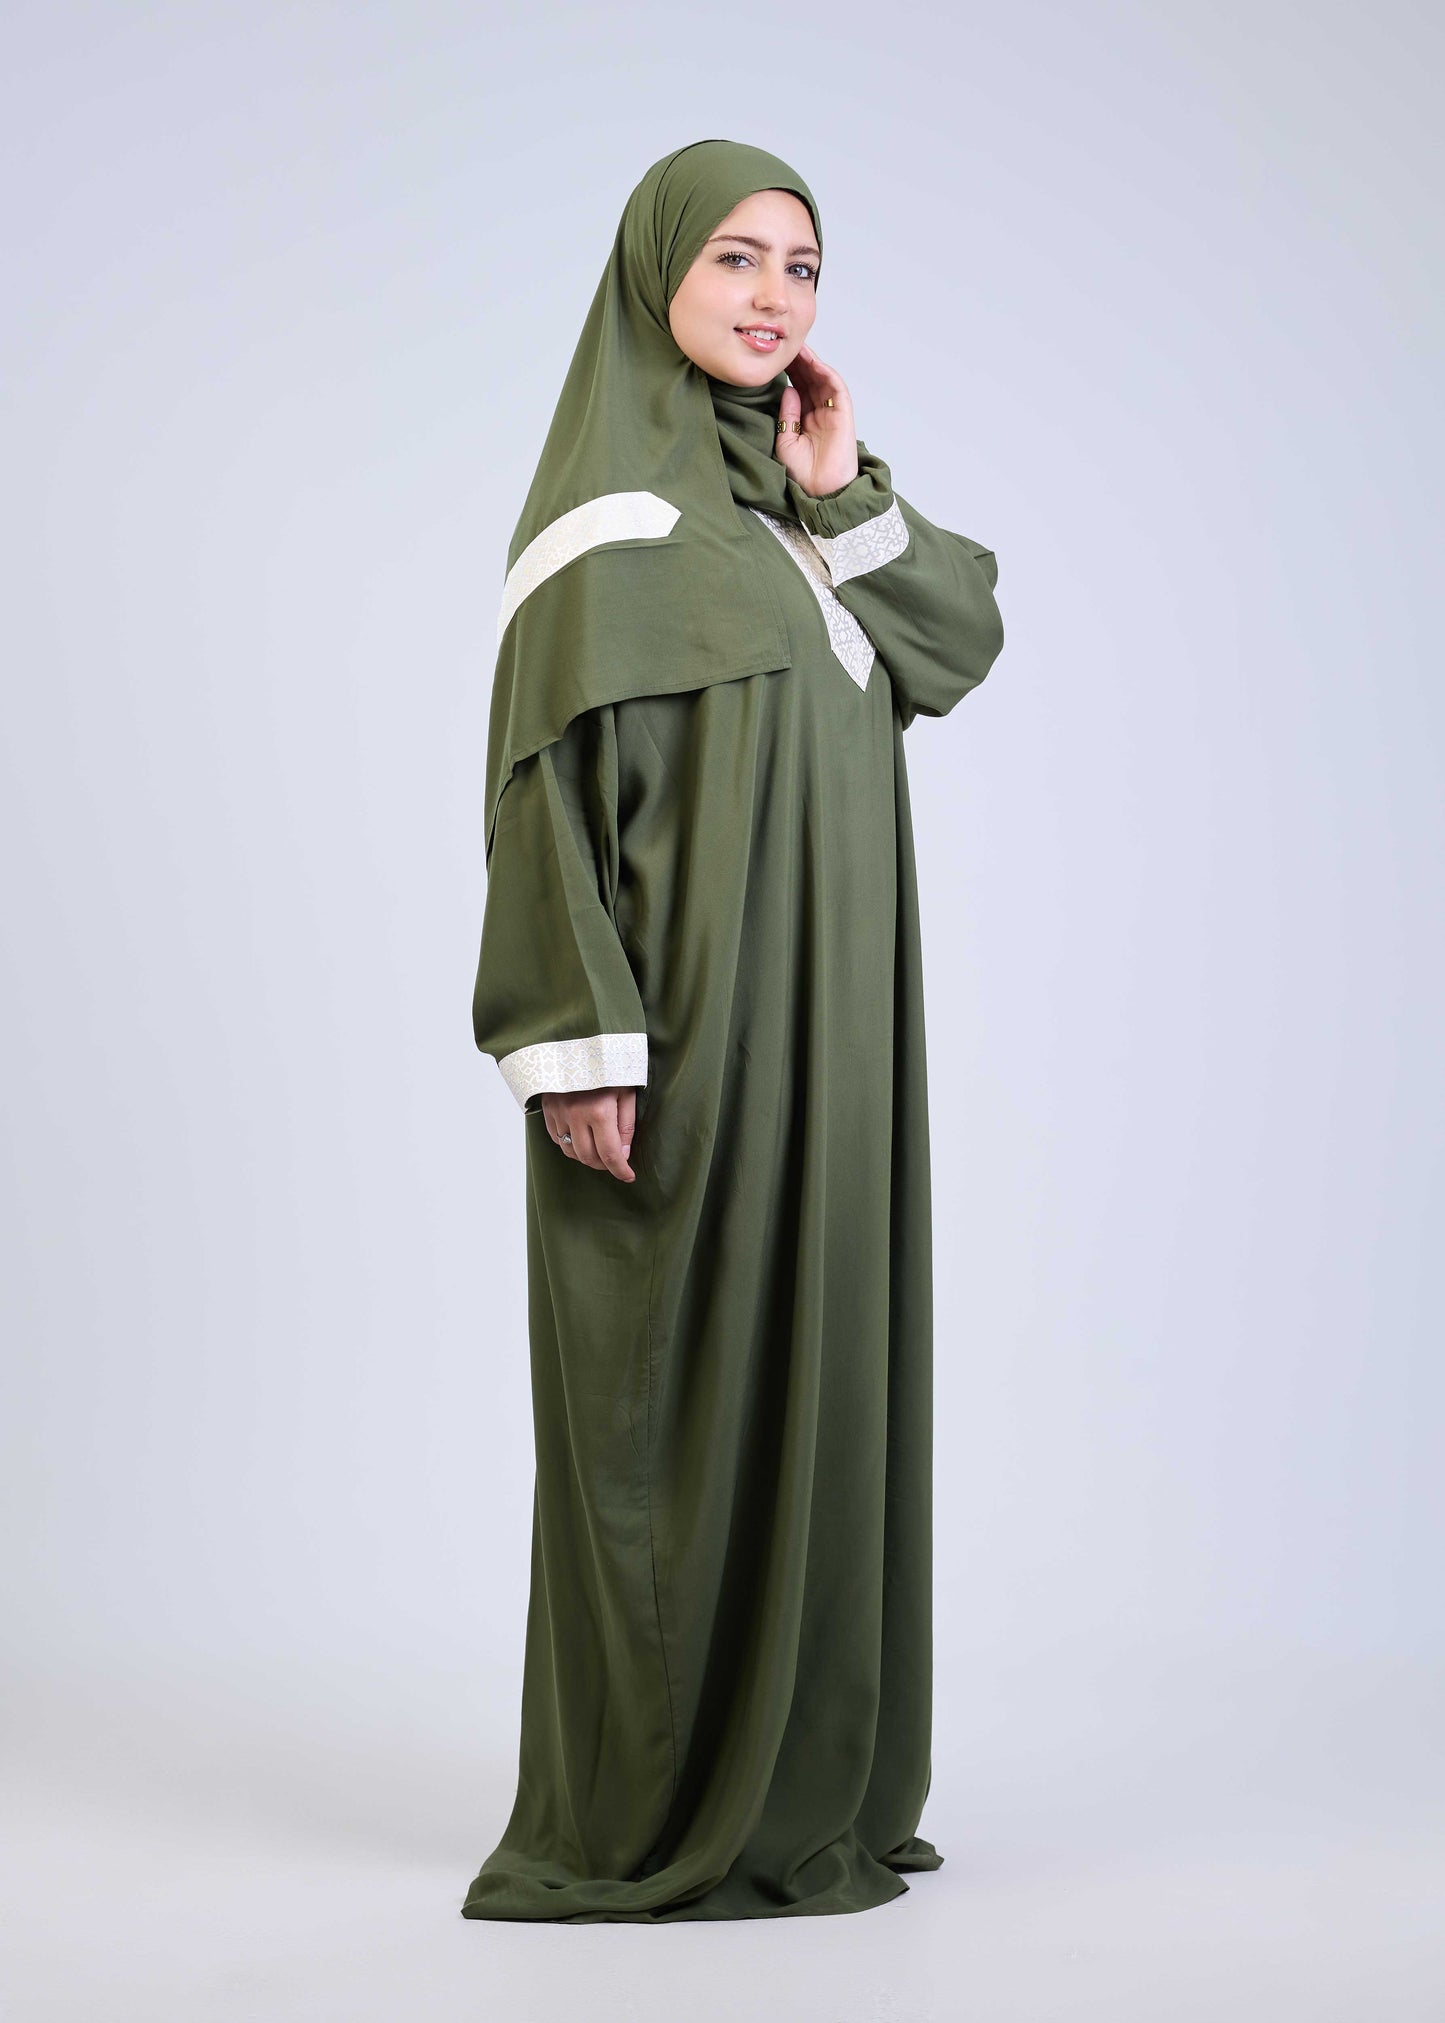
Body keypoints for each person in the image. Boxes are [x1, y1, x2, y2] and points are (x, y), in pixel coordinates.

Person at [462, 137, 1005, 1924]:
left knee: (825, 1370)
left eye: (803, 268)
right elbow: (541, 799)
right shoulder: (603, 531)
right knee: (673, 1407)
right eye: (736, 261)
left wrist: (839, 493)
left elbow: (957, 644)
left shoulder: (806, 516)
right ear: (655, 281)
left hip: (839, 1030)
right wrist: (577, 1036)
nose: (775, 298)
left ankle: (802, 1788)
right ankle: (649, 1809)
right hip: (685, 1041)